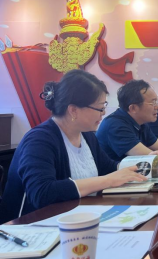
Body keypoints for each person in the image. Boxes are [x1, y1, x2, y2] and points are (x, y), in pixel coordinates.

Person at [0, 70, 148, 224]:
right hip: (28, 228)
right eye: (100, 108)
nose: (103, 113)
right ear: (73, 110)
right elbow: (42, 193)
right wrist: (107, 181)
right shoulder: (39, 140)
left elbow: (109, 168)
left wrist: (147, 165)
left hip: (74, 219)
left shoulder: (87, 136)